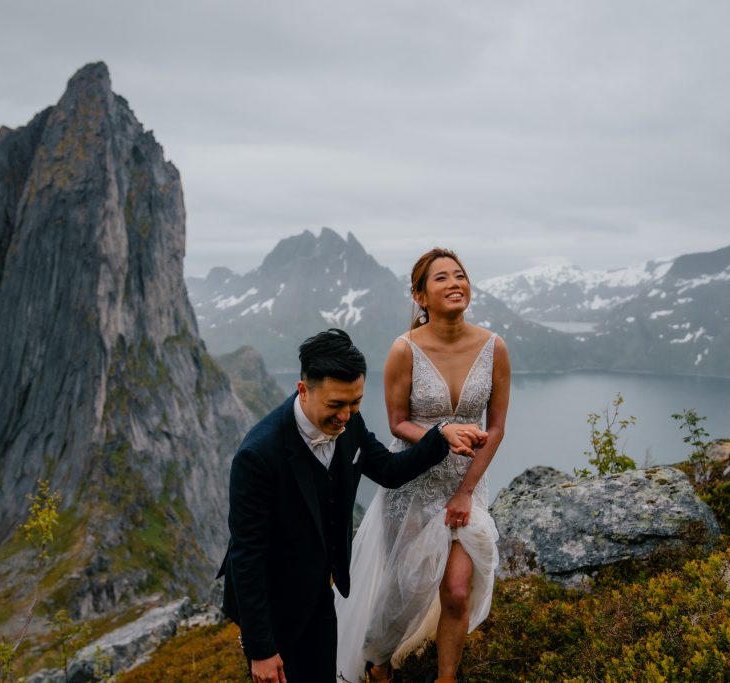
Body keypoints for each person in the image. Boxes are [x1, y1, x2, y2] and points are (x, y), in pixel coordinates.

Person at [218, 328, 489, 683]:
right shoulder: (258, 455)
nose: (346, 415)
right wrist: (262, 649)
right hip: (273, 603)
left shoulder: (350, 422)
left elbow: (390, 471)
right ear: (303, 390)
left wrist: (440, 435)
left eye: (355, 402)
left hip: (319, 593)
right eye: (335, 405)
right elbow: (246, 556)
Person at [336, 248, 511, 683]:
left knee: (455, 592)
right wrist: (442, 433)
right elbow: (397, 423)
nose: (455, 283)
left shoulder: (494, 347)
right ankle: (377, 660)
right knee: (407, 590)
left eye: (460, 275)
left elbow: (498, 426)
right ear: (420, 296)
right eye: (441, 279)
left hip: (467, 485)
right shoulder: (405, 350)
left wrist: (467, 490)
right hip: (414, 482)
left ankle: (445, 678)